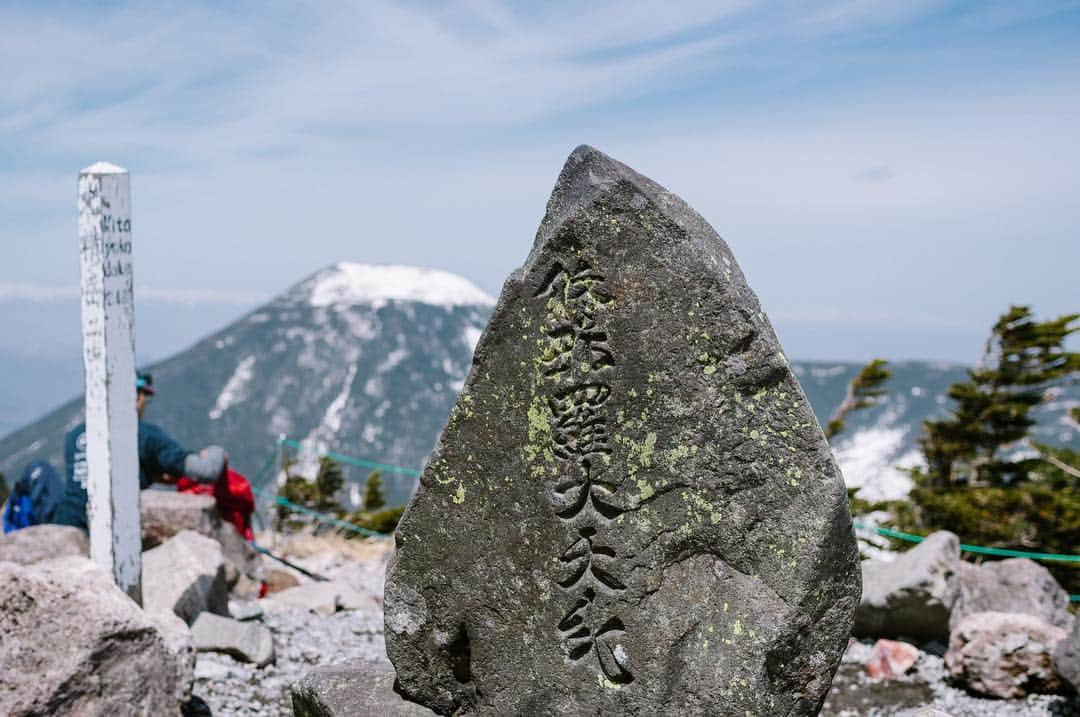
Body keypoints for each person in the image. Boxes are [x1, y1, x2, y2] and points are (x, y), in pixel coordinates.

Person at [53, 372, 226, 531]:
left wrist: (149, 474)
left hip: (68, 527)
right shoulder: (144, 435)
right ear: (134, 397)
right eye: (145, 397)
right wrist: (216, 452)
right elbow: (206, 471)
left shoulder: (76, 434)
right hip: (116, 532)